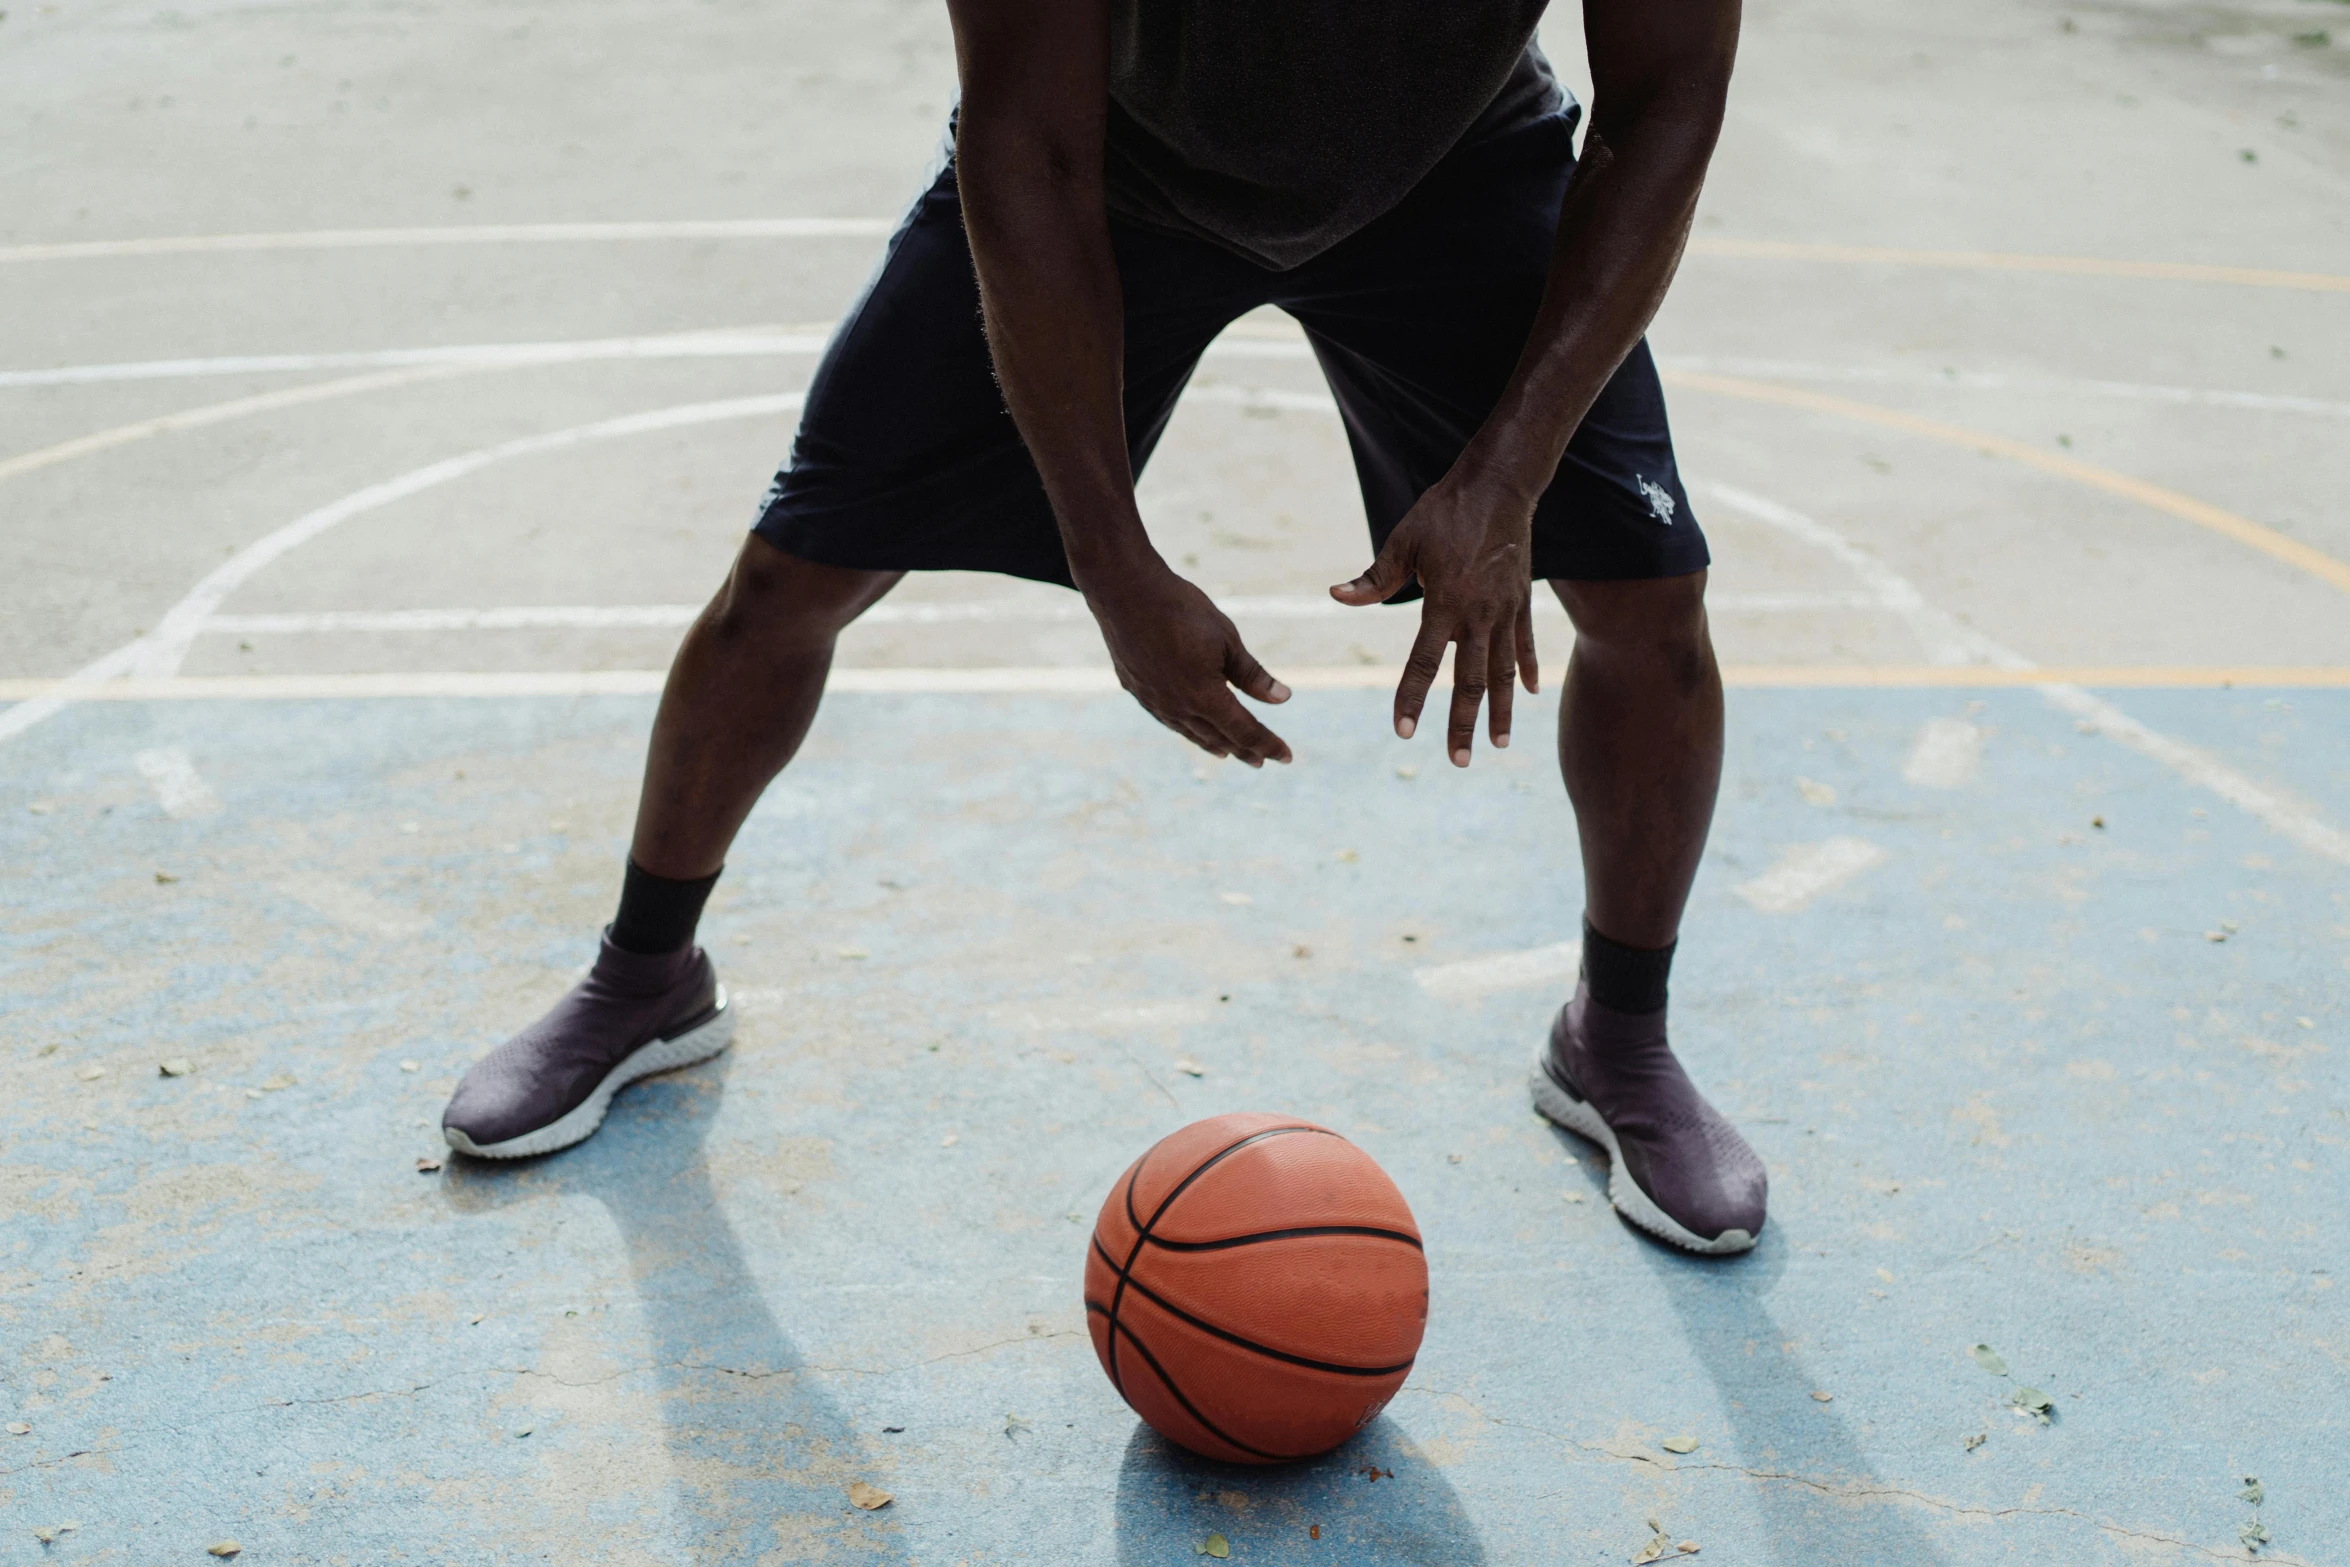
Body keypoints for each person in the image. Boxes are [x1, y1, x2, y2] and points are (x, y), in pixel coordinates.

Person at [441, 0, 1766, 1254]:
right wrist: (1111, 561)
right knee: (794, 578)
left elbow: (1665, 101)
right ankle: (645, 978)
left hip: (1455, 173)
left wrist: (1510, 471)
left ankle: (1617, 1037)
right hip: (1113, 174)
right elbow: (1026, 144)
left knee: (1650, 610)